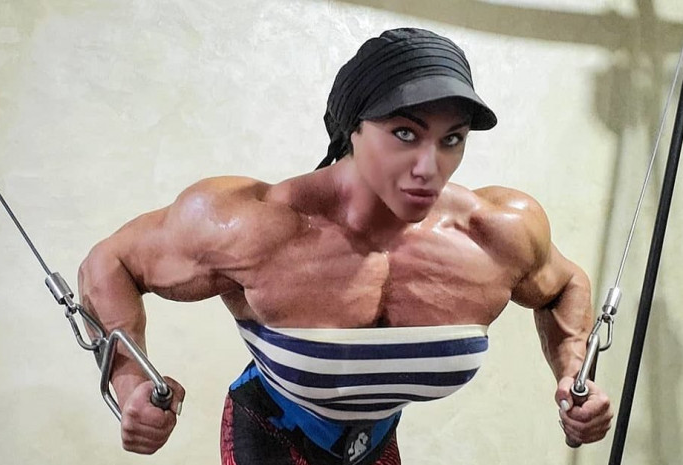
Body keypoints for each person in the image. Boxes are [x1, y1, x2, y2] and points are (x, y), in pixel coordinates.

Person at [78, 28, 613, 464]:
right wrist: (130, 383)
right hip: (272, 432)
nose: (429, 167)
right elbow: (110, 263)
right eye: (405, 133)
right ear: (351, 129)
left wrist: (573, 374)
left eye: (452, 139)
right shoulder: (251, 224)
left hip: (374, 442)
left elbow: (563, 285)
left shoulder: (496, 232)